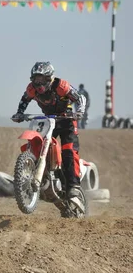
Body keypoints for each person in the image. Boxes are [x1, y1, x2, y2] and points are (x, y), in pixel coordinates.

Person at [11, 61, 86, 200]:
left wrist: (80, 111)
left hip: (66, 120)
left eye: (41, 79)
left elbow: (80, 97)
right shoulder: (31, 89)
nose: (38, 84)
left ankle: (73, 186)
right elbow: (24, 100)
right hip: (49, 120)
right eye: (35, 79)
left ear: (49, 78)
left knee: (68, 150)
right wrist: (19, 113)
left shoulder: (61, 86)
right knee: (38, 144)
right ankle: (41, 174)